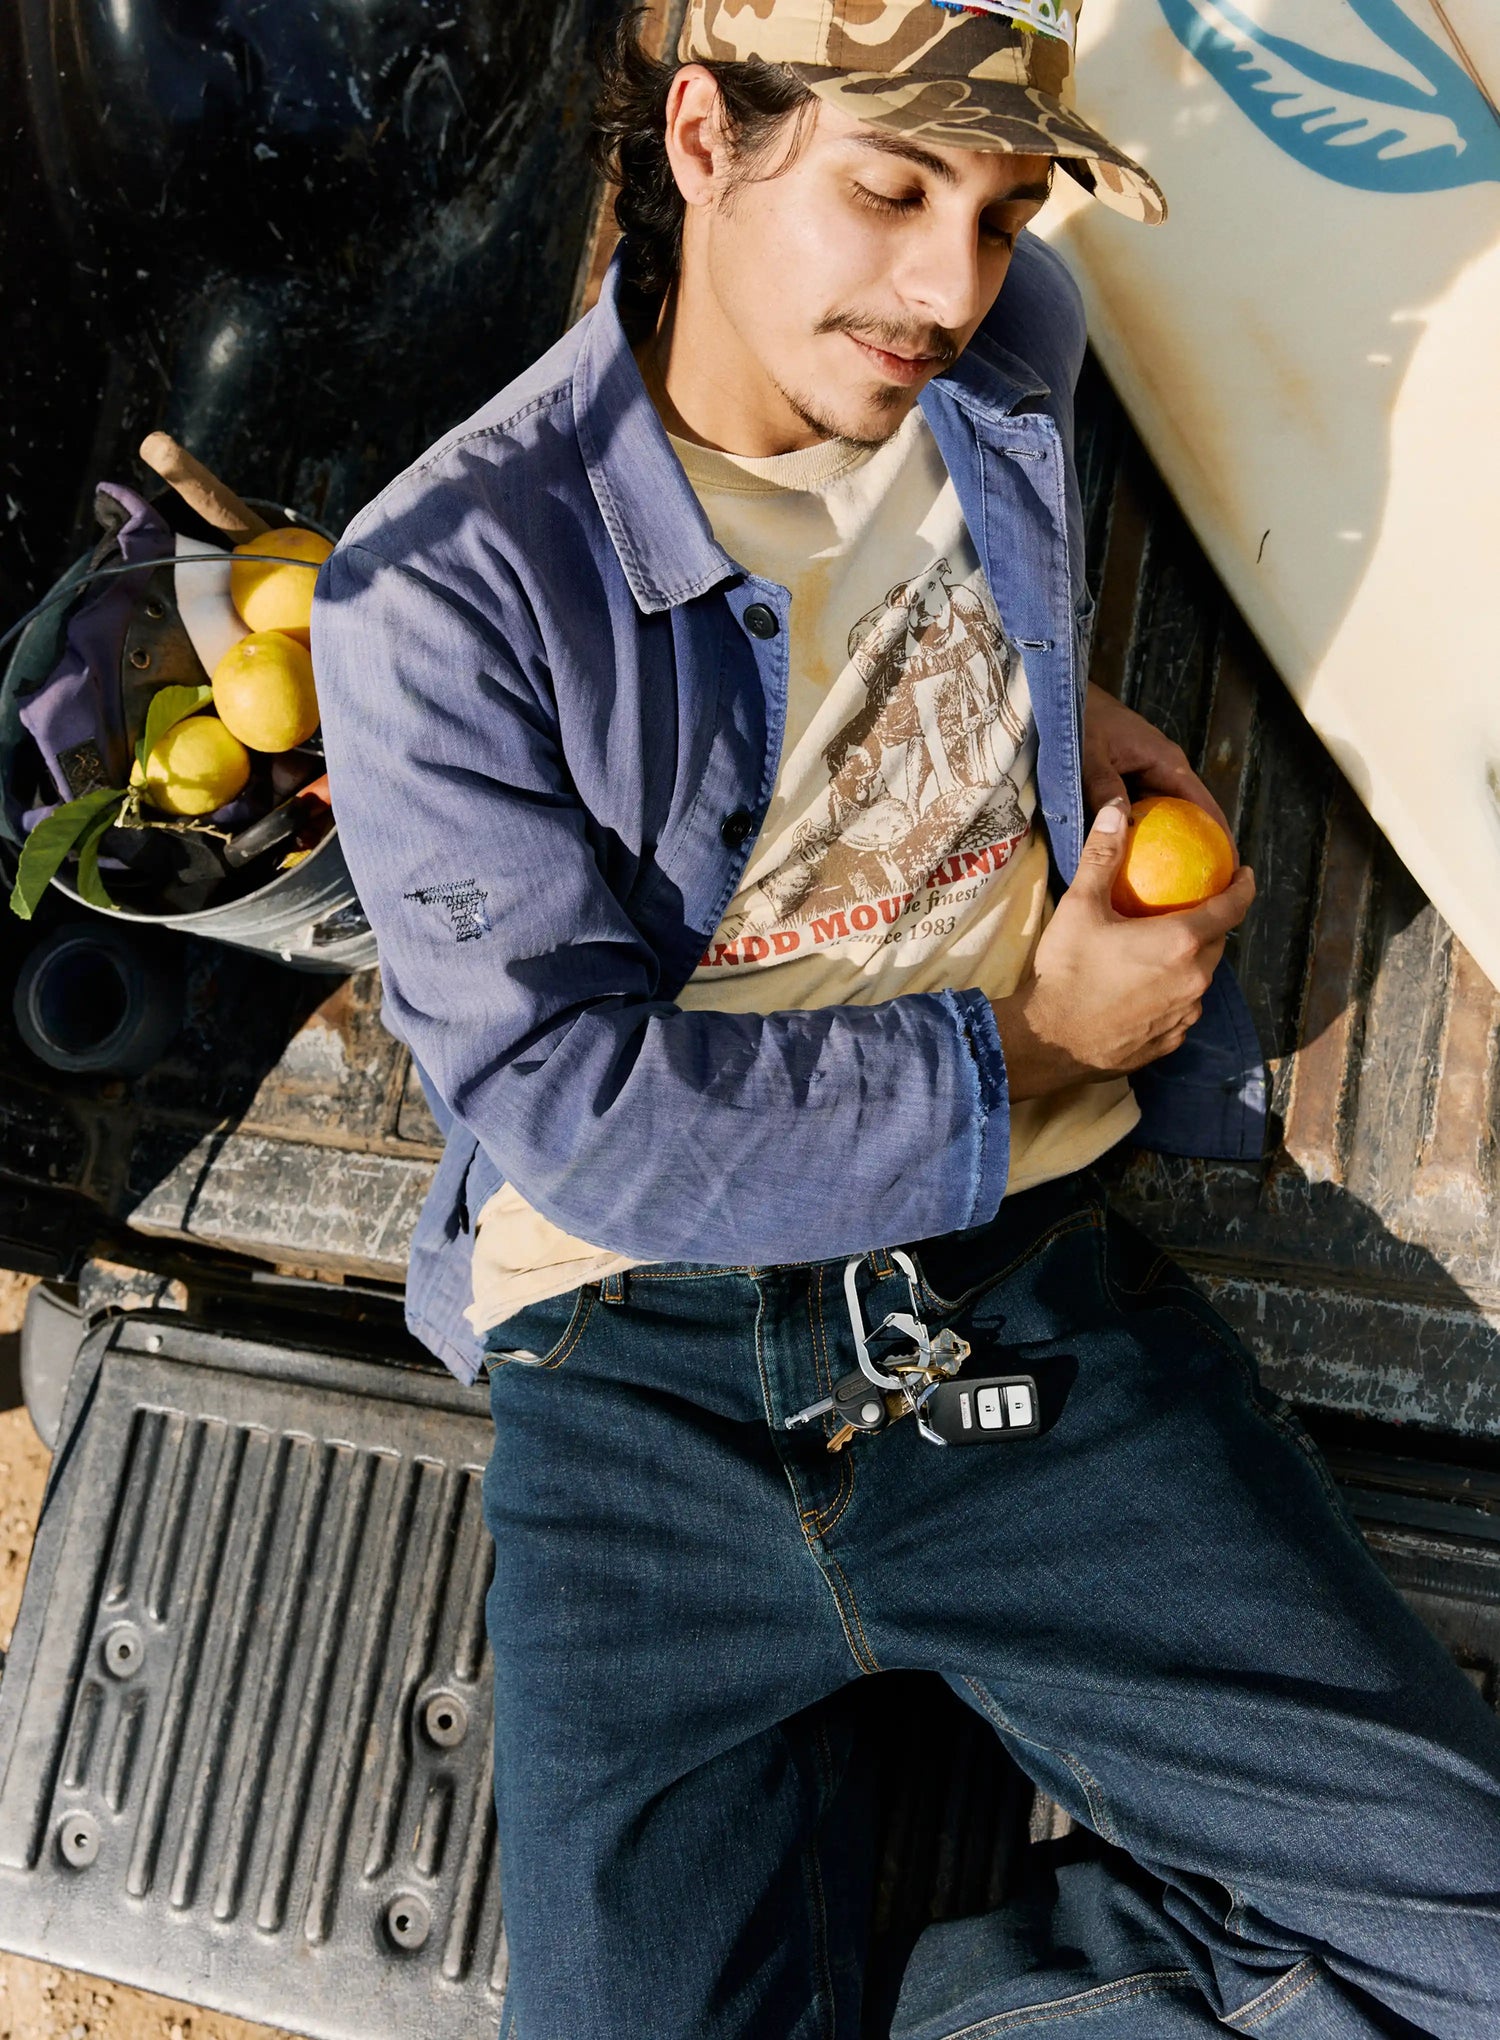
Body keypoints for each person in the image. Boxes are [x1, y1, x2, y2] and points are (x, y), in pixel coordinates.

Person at [311, 3, 1500, 2032]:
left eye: (1008, 205)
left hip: (1010, 1299)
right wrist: (1041, 1041)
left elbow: (973, 629)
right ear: (705, 134)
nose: (951, 281)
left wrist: (1090, 762)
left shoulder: (1011, 346)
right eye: (890, 188)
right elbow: (577, 1107)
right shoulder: (441, 591)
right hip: (633, 1366)